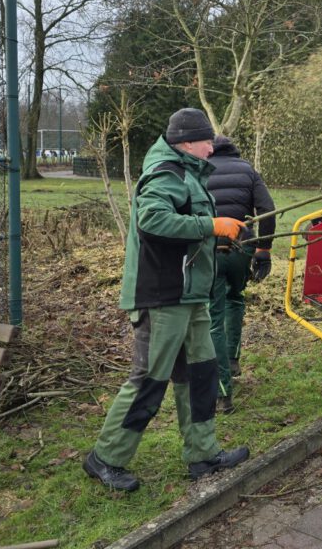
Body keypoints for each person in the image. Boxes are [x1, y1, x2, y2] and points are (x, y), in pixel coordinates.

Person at [83, 108, 250, 492]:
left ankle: (203, 455)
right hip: (161, 296)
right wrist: (211, 225)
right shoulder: (164, 174)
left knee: (200, 374)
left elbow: (185, 229)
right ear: (187, 143)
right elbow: (153, 221)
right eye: (208, 141)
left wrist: (217, 237)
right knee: (149, 379)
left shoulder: (189, 174)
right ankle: (105, 458)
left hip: (190, 296)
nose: (212, 148)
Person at [207, 136, 276, 413]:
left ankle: (222, 392)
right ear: (234, 150)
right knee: (235, 298)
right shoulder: (247, 170)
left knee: (213, 318)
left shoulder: (201, 168)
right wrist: (264, 249)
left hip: (208, 248)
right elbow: (268, 209)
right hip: (241, 246)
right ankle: (233, 359)